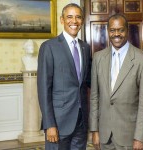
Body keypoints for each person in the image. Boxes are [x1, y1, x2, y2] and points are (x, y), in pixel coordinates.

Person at [89, 14, 143, 150]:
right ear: (108, 31)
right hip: (104, 136)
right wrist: (94, 131)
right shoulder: (98, 58)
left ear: (127, 31)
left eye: (121, 30)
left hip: (129, 137)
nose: (116, 34)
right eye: (112, 30)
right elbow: (94, 97)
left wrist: (140, 137)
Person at [37, 3, 91, 150]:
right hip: (59, 122)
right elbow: (44, 90)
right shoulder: (49, 47)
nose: (74, 21)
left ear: (82, 21)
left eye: (78, 17)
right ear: (62, 20)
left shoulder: (85, 48)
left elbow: (87, 82)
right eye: (69, 17)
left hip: (81, 121)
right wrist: (49, 125)